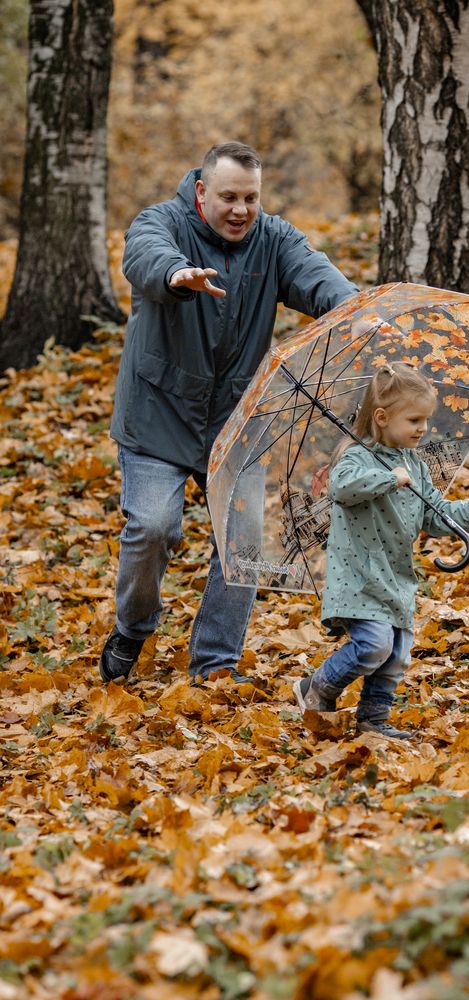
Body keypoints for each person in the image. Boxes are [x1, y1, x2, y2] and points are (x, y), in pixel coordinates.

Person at [100, 141, 359, 685]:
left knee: (240, 544)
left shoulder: (273, 239)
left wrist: (353, 307)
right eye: (228, 197)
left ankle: (215, 664)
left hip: (234, 418)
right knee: (153, 526)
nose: (240, 210)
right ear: (201, 190)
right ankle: (132, 627)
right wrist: (176, 275)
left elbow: (315, 274)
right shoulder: (162, 223)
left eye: (251, 197)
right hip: (158, 413)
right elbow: (143, 253)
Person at [293, 363, 469, 740]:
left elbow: (434, 513)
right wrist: (388, 478)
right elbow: (342, 488)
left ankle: (373, 721)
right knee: (373, 646)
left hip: (396, 575)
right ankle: (317, 686)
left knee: (395, 655)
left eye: (426, 419)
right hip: (360, 576)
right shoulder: (356, 457)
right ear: (382, 417)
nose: (423, 428)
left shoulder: (415, 464)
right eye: (414, 419)